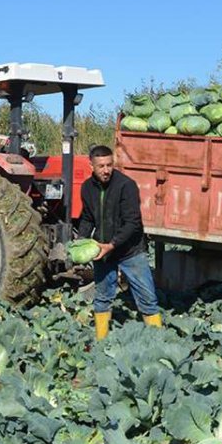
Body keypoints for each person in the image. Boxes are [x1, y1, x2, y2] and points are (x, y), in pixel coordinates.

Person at [76, 145, 161, 340]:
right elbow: (88, 218)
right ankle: (101, 342)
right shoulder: (87, 188)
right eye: (101, 166)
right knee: (102, 298)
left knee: (147, 299)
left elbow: (133, 222)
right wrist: (81, 240)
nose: (106, 170)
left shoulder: (126, 185)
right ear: (92, 166)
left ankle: (158, 342)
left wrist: (111, 245)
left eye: (109, 165)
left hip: (131, 251)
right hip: (104, 251)